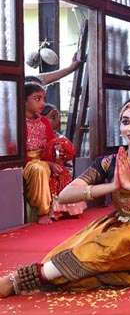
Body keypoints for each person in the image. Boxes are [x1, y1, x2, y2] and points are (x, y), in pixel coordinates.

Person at [1, 94, 130, 297]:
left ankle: (19, 280)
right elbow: (66, 195)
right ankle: (39, 277)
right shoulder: (109, 162)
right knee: (79, 255)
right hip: (118, 227)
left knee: (122, 242)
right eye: (125, 122)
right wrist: (112, 186)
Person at [23, 83, 80, 223]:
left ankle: (62, 210)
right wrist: (47, 163)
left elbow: (51, 144)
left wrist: (59, 150)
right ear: (23, 100)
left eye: (43, 99)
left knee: (60, 169)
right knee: (39, 169)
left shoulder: (44, 122)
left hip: (44, 159)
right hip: (26, 163)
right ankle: (43, 212)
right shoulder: (17, 122)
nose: (42, 103)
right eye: (37, 99)